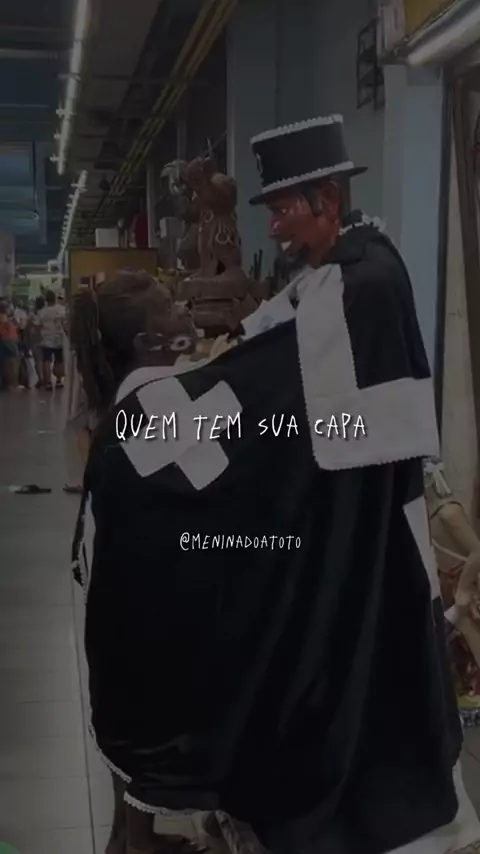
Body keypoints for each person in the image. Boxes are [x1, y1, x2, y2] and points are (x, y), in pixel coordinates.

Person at [70, 118, 479, 854]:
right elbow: (276, 354)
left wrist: (218, 394)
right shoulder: (329, 272)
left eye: (284, 209)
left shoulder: (367, 280)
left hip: (364, 517)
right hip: (339, 496)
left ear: (328, 199)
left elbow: (294, 395)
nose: (275, 226)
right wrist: (227, 379)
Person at [38, 289, 66, 390]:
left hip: (46, 338)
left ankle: (48, 382)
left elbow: (38, 325)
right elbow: (65, 323)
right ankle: (59, 381)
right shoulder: (61, 309)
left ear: (46, 300)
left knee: (46, 360)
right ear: (55, 298)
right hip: (58, 338)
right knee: (59, 360)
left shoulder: (42, 311)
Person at [0, 300, 19, 391]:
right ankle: (10, 383)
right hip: (8, 342)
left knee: (5, 362)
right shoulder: (3, 318)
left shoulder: (7, 318)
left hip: (6, 341)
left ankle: (7, 383)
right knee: (11, 362)